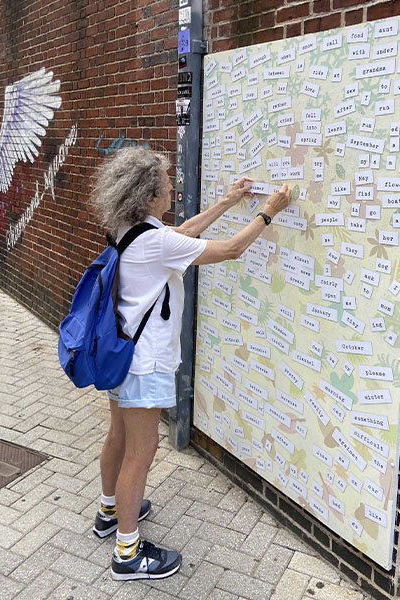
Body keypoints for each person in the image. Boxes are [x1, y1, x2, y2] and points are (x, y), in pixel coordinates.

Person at [90, 146, 291, 581]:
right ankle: (127, 553)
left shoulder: (131, 227)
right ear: (148, 197)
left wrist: (227, 201)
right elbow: (231, 250)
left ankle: (109, 512)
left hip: (119, 355)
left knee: (119, 439)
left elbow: (181, 232)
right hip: (145, 364)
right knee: (140, 455)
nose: (170, 188)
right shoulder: (155, 239)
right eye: (165, 184)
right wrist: (268, 213)